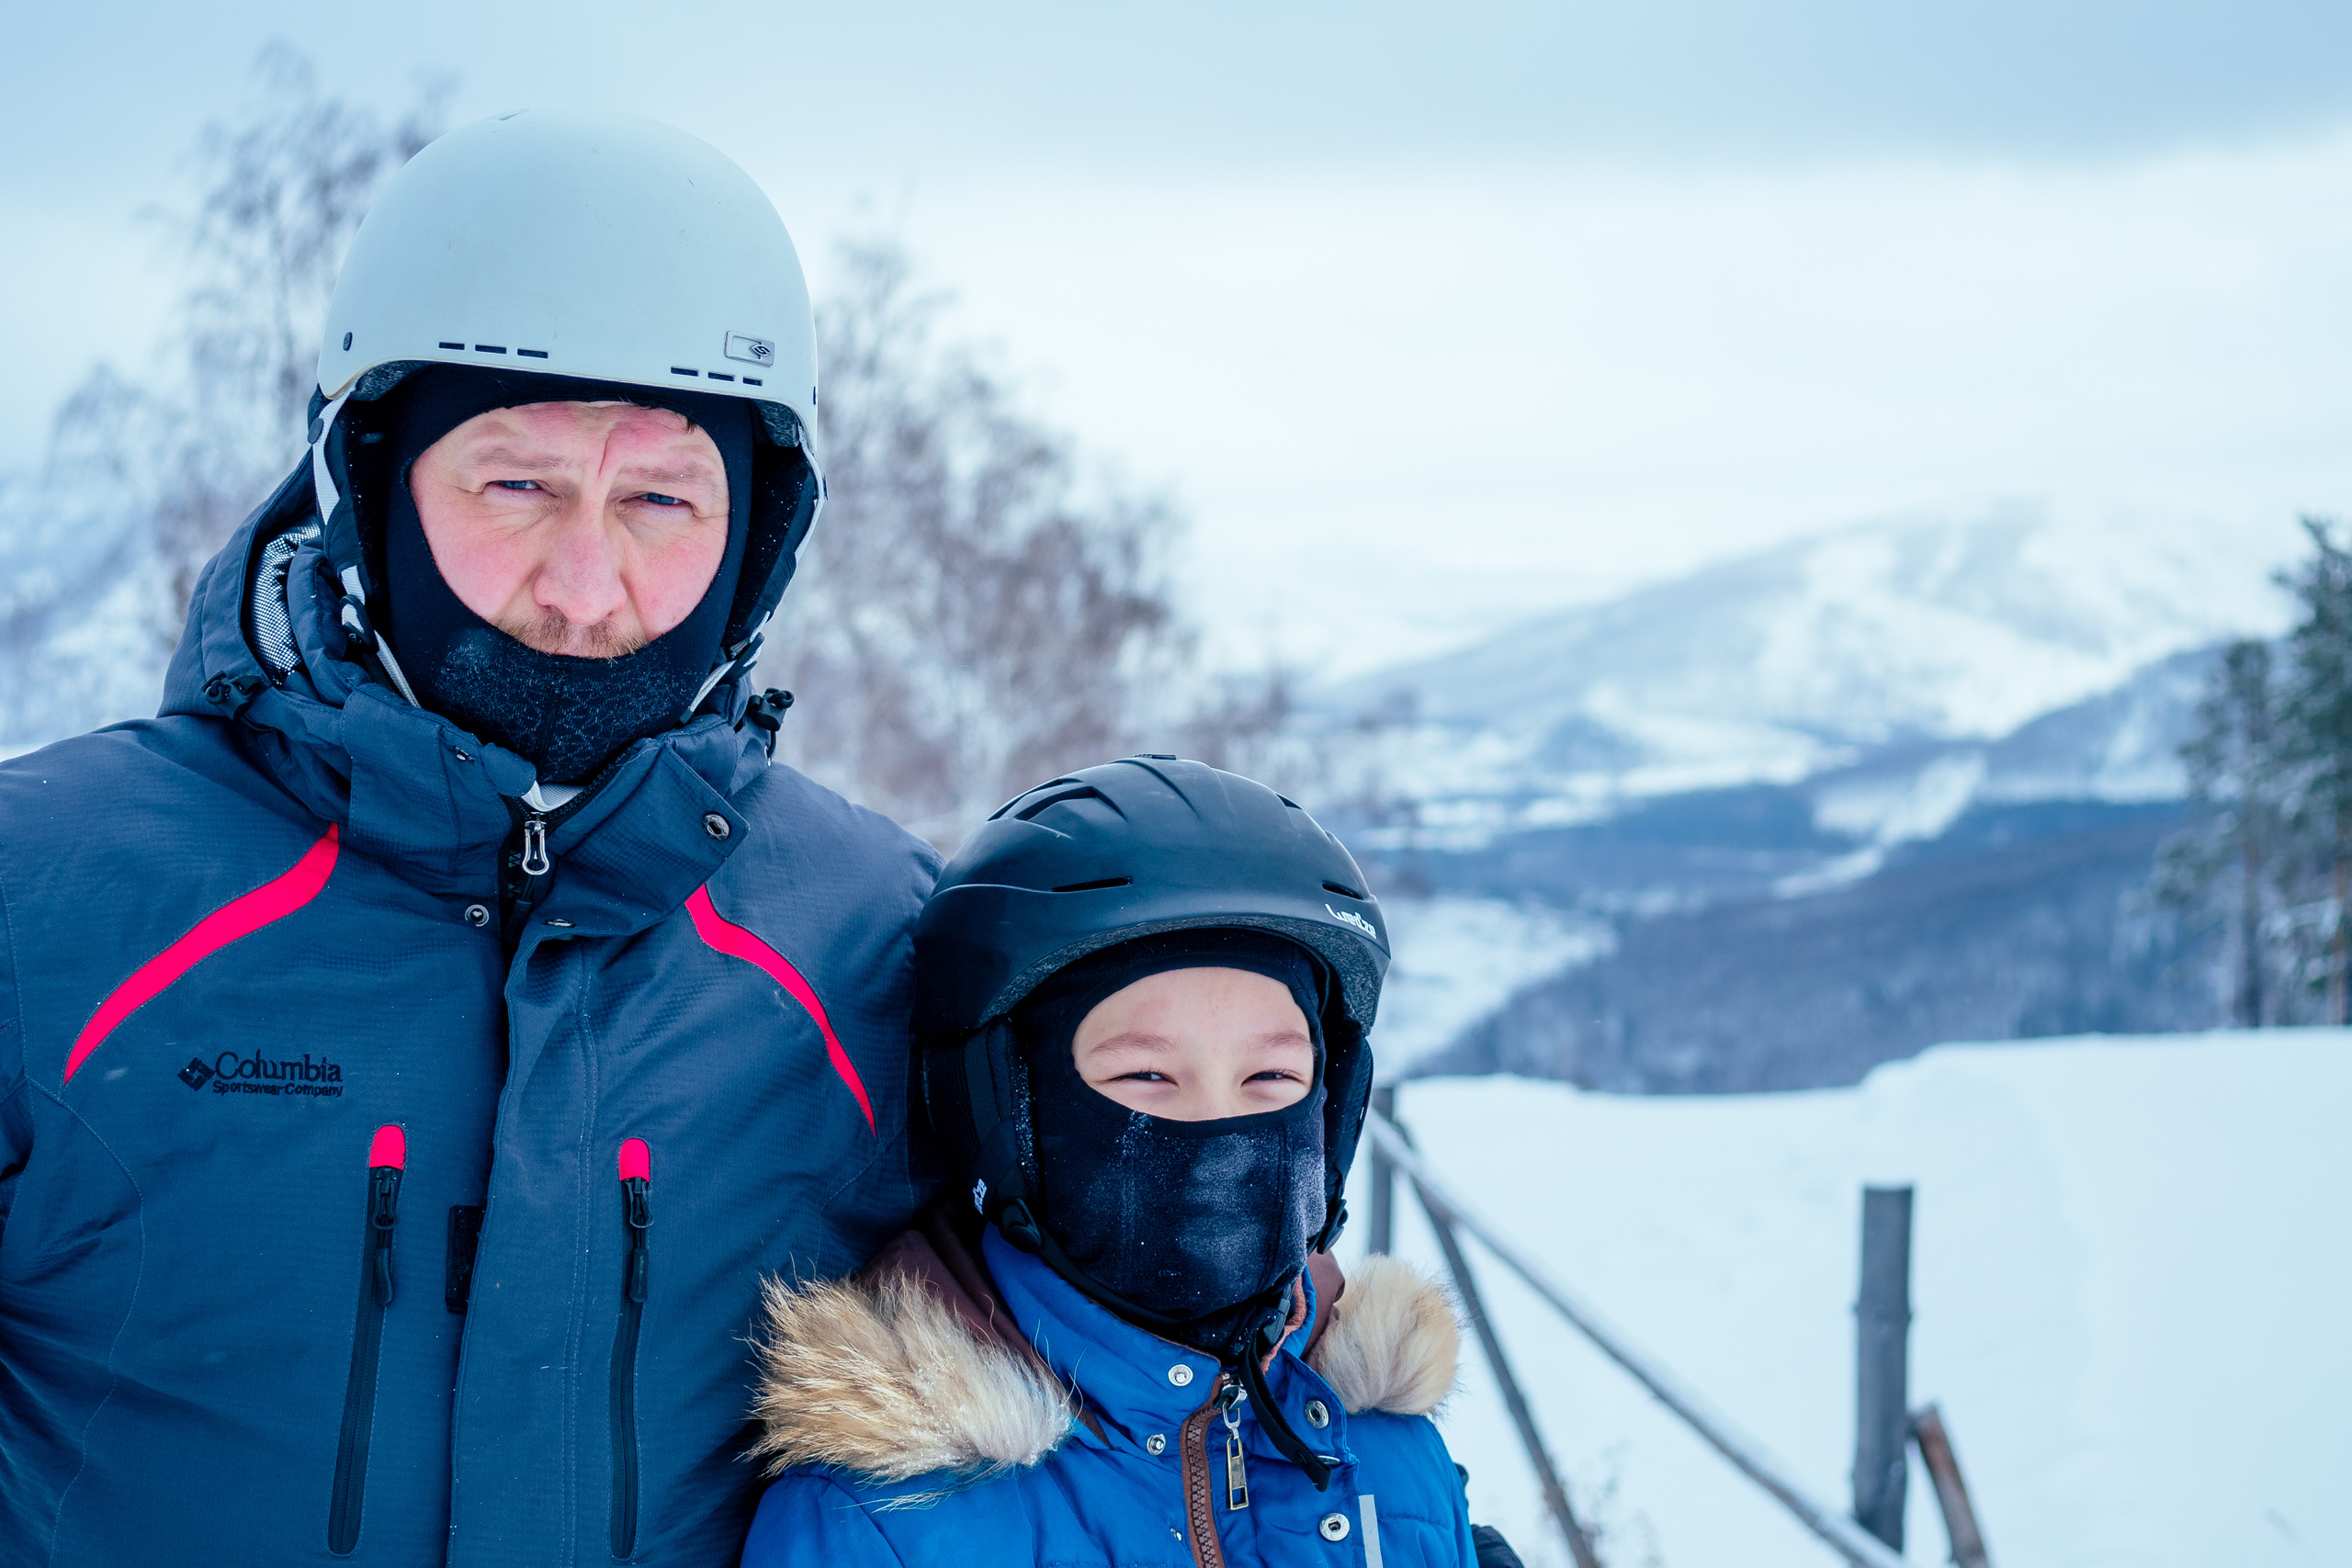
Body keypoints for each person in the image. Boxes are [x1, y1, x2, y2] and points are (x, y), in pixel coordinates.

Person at [0, 110, 936, 1564]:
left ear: (758, 539)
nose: (584, 585)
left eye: (661, 498)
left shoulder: (875, 941)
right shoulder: (48, 901)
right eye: (517, 484)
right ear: (368, 486)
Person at [741, 756, 1487, 1567]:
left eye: (1271, 1076)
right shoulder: (876, 1524)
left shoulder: (1392, 1456)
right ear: (1006, 1113)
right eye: (1147, 1077)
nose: (1220, 1129)